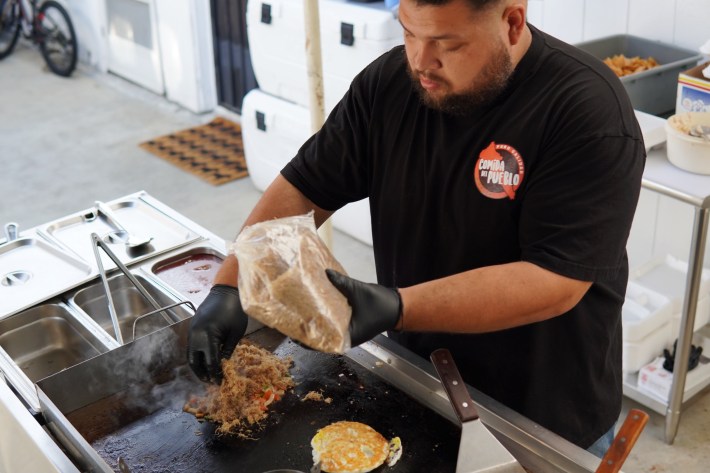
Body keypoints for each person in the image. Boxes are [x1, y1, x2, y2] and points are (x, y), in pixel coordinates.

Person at [187, 0, 645, 457]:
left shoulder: (585, 110)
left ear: (511, 22)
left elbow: (555, 279)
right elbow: (304, 187)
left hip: (539, 416)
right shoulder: (388, 84)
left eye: (447, 43)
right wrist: (231, 285)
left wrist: (397, 306)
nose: (421, 62)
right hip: (417, 384)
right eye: (409, 33)